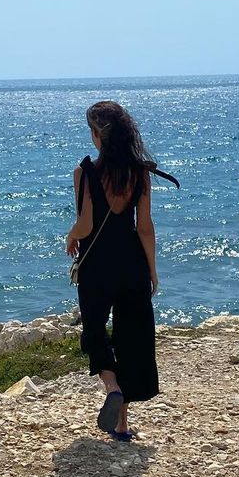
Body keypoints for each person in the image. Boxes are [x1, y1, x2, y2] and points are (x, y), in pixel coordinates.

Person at [65, 101, 179, 441]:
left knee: (95, 333)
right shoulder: (138, 173)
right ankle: (122, 425)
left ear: (97, 135)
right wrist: (152, 270)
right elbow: (144, 227)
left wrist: (71, 235)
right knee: (130, 341)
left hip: (97, 266)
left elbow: (87, 225)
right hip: (131, 264)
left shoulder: (85, 172)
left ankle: (112, 387)